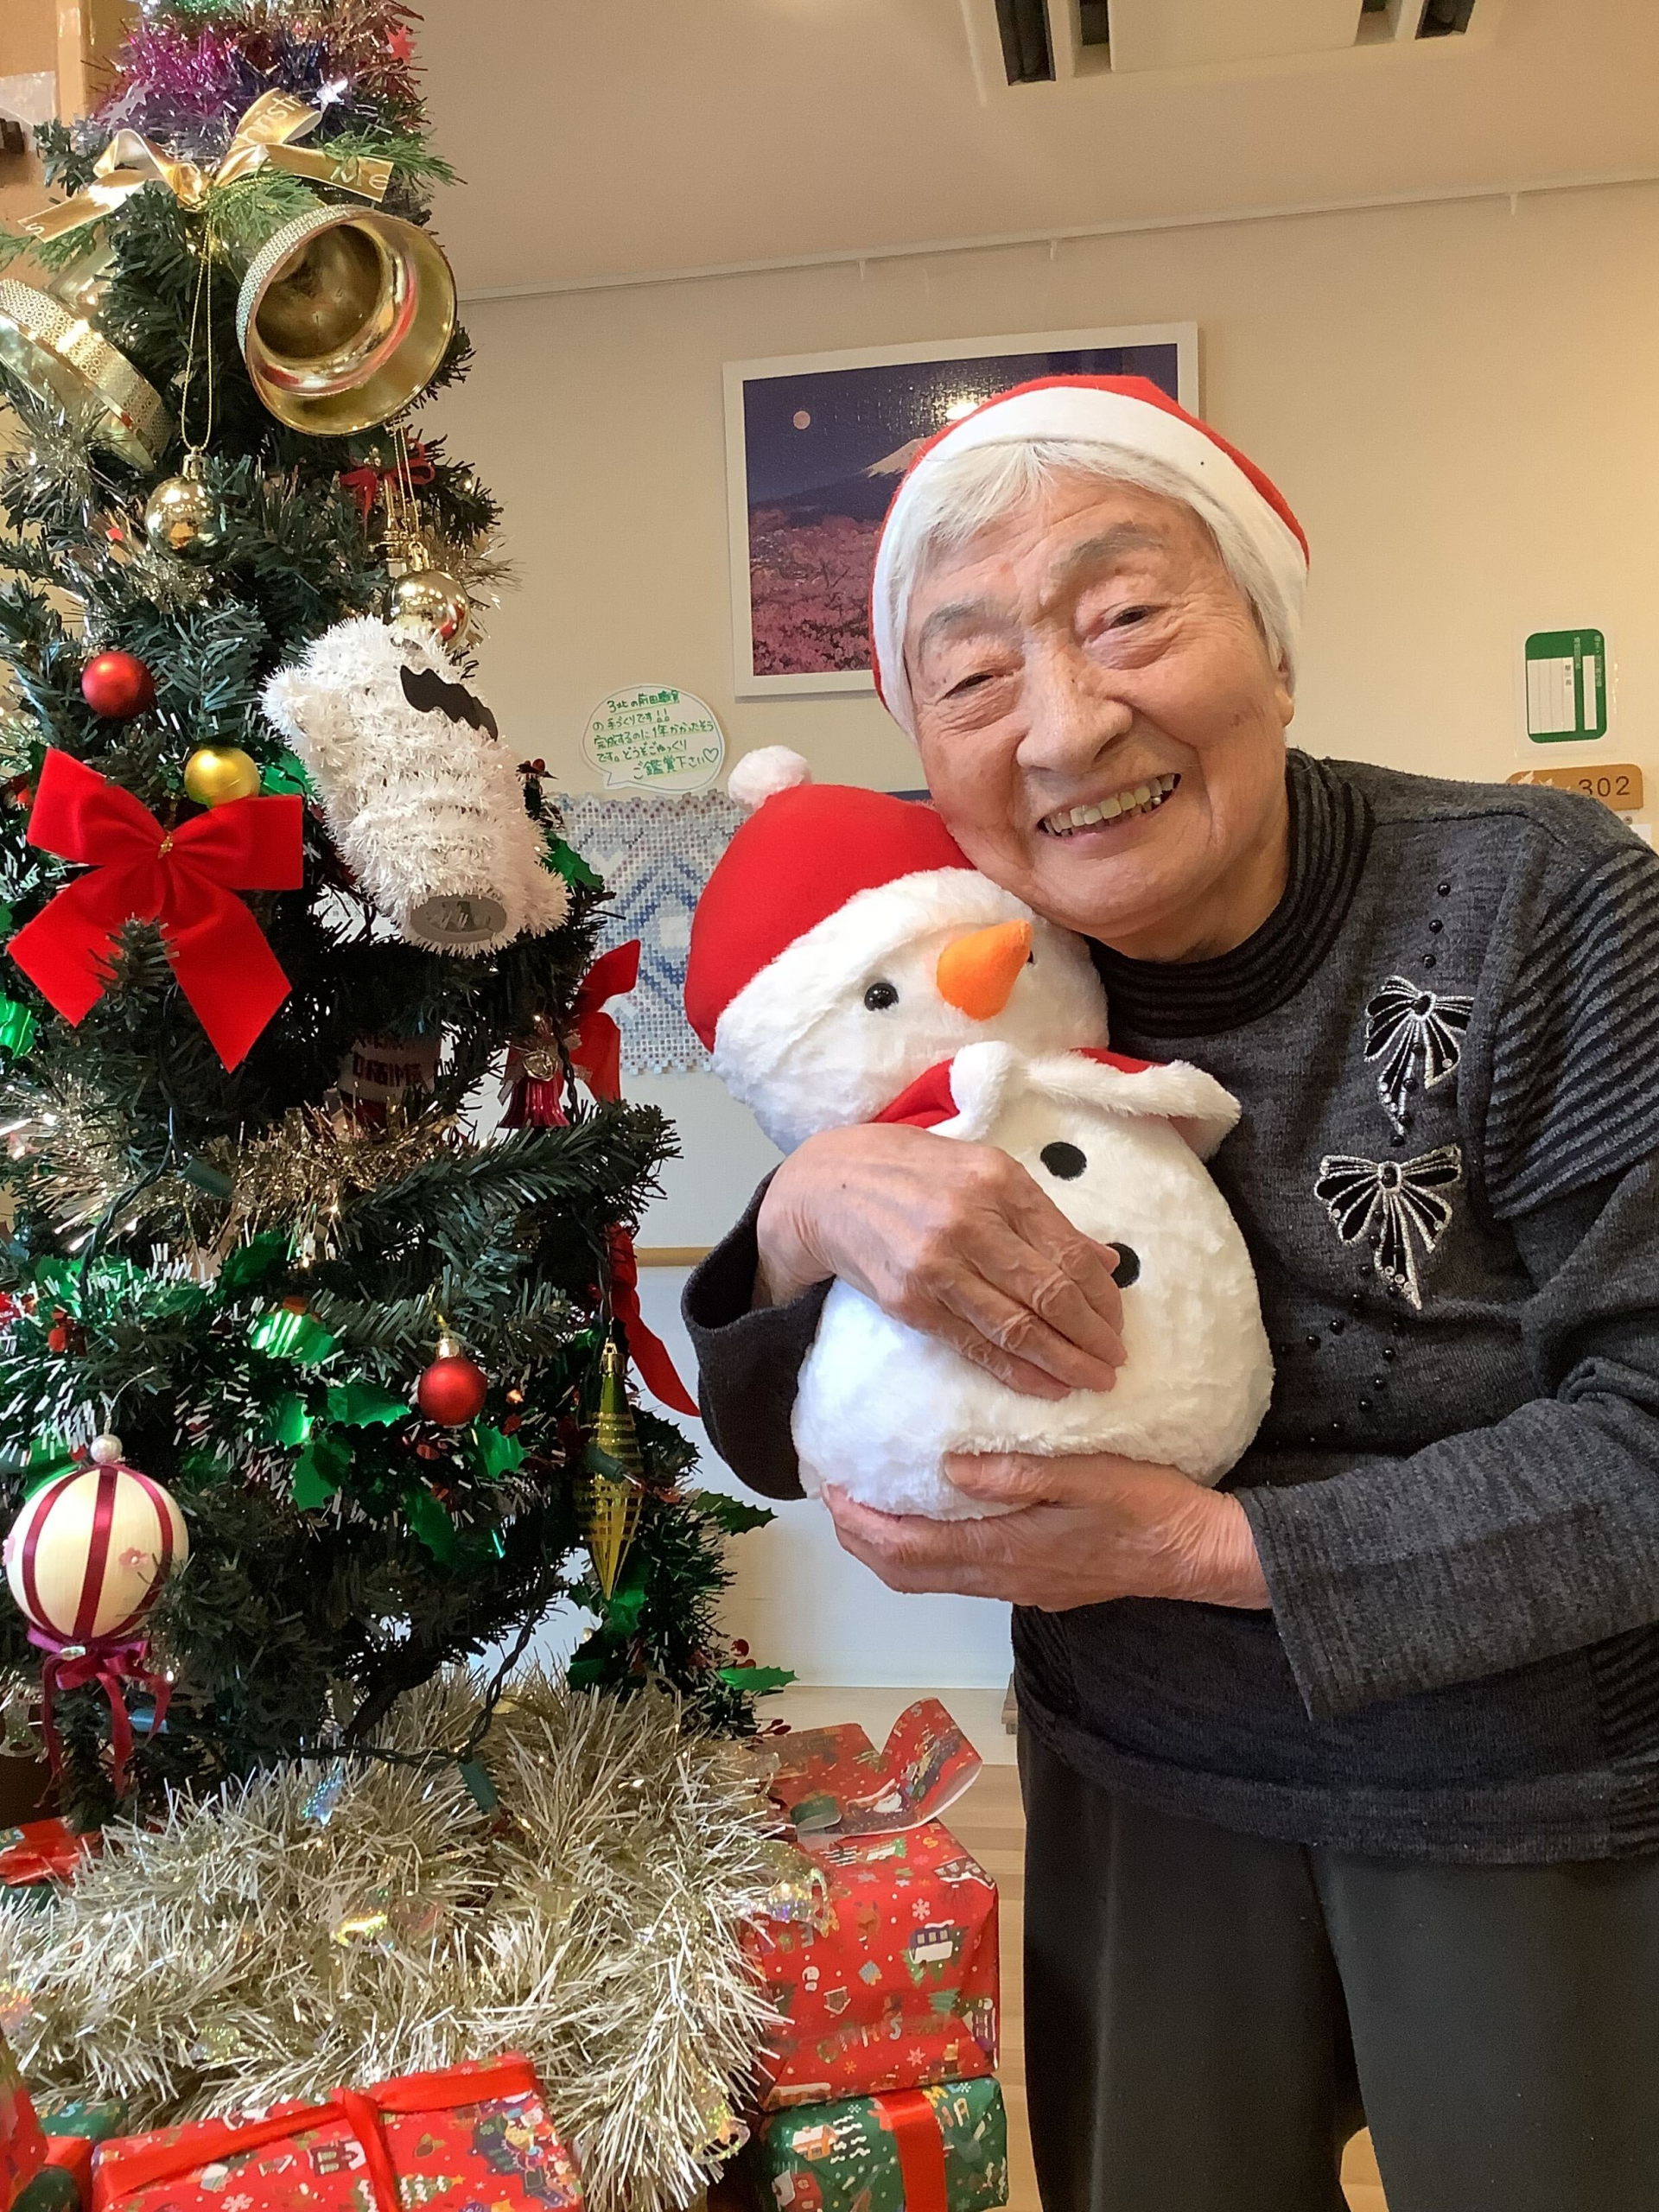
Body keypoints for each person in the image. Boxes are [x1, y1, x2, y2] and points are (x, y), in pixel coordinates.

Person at [683, 377, 1659, 2212]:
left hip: (1528, 1790)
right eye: (976, 677)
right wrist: (803, 1211)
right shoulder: (973, 964)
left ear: (1272, 646)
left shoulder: (1540, 904)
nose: (1067, 725)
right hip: (1137, 1775)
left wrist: (1201, 1548)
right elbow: (766, 1437)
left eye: (1127, 615)